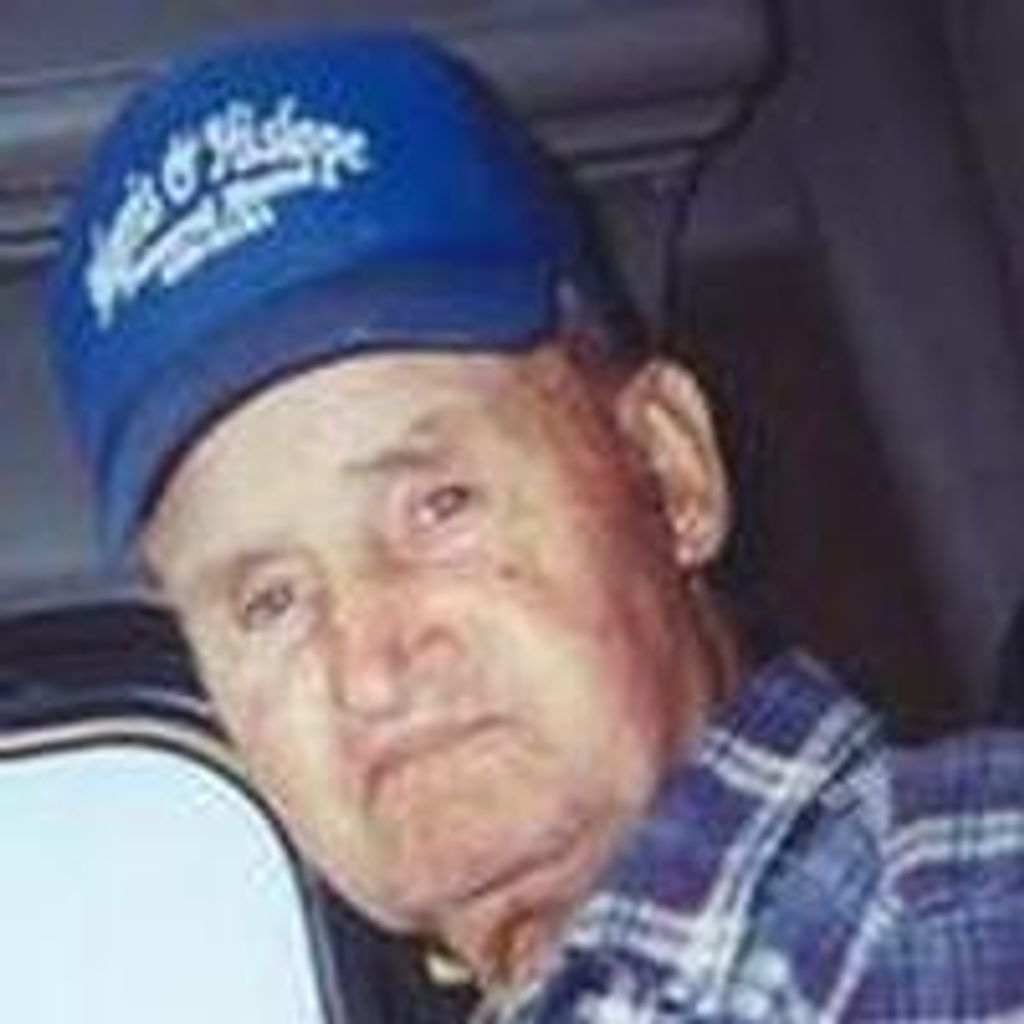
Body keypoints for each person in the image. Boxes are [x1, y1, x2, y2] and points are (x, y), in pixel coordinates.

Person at [48, 30, 1024, 1022]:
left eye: (437, 506)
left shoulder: (968, 927)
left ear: (669, 471)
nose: (369, 673)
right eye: (269, 602)